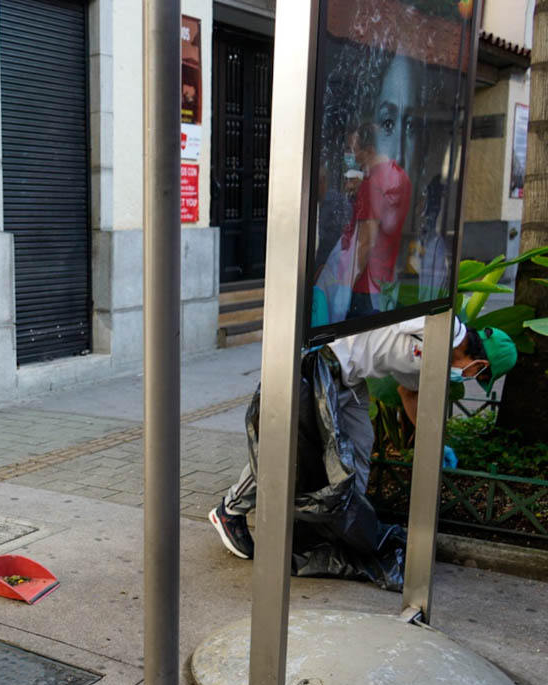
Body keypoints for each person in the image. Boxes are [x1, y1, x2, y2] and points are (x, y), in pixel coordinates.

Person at [208, 319, 518, 560]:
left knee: (358, 447)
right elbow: (394, 313)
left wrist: (436, 441)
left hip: (350, 380)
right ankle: (230, 510)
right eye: (477, 376)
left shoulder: (437, 359)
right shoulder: (441, 325)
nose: (469, 379)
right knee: (288, 447)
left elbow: (409, 393)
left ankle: (340, 528)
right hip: (322, 363)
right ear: (480, 363)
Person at [344, 122, 412, 318]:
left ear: (370, 151)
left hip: (365, 286)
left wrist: (347, 281)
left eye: (354, 150)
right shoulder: (401, 176)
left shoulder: (371, 183)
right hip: (387, 278)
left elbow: (366, 242)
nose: (353, 156)